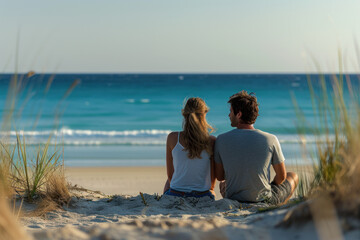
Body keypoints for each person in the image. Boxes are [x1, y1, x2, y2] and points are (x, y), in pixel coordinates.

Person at [214, 91, 298, 205]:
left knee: (224, 183)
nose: (229, 115)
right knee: (293, 176)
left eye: (231, 111)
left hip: (233, 199)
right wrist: (270, 186)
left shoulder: (221, 139)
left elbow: (219, 176)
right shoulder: (270, 139)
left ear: (239, 114)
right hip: (263, 199)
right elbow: (281, 177)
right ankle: (277, 207)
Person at [163, 97, 216, 199]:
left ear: (184, 114)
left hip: (176, 194)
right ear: (204, 114)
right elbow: (212, 183)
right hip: (202, 196)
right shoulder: (211, 141)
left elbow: (170, 176)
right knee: (211, 192)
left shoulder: (173, 138)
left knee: (168, 182)